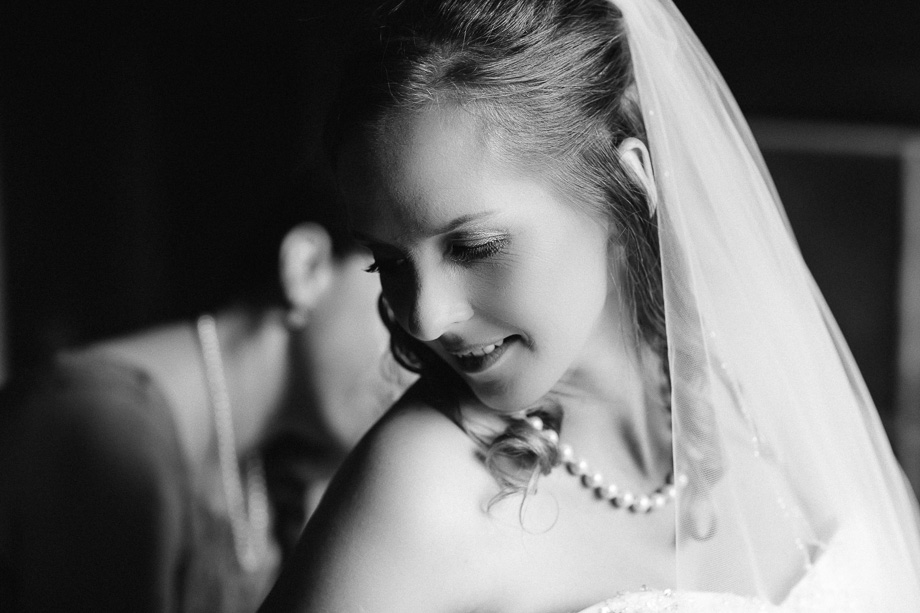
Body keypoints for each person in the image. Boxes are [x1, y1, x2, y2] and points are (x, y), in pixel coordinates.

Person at [259, 0, 920, 611]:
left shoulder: (756, 367)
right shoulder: (420, 488)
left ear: (628, 181)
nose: (424, 317)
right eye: (390, 262)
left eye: (474, 245)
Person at [0, 201, 412, 611]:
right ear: (306, 267)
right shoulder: (100, 425)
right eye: (395, 290)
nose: (416, 367)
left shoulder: (266, 473)